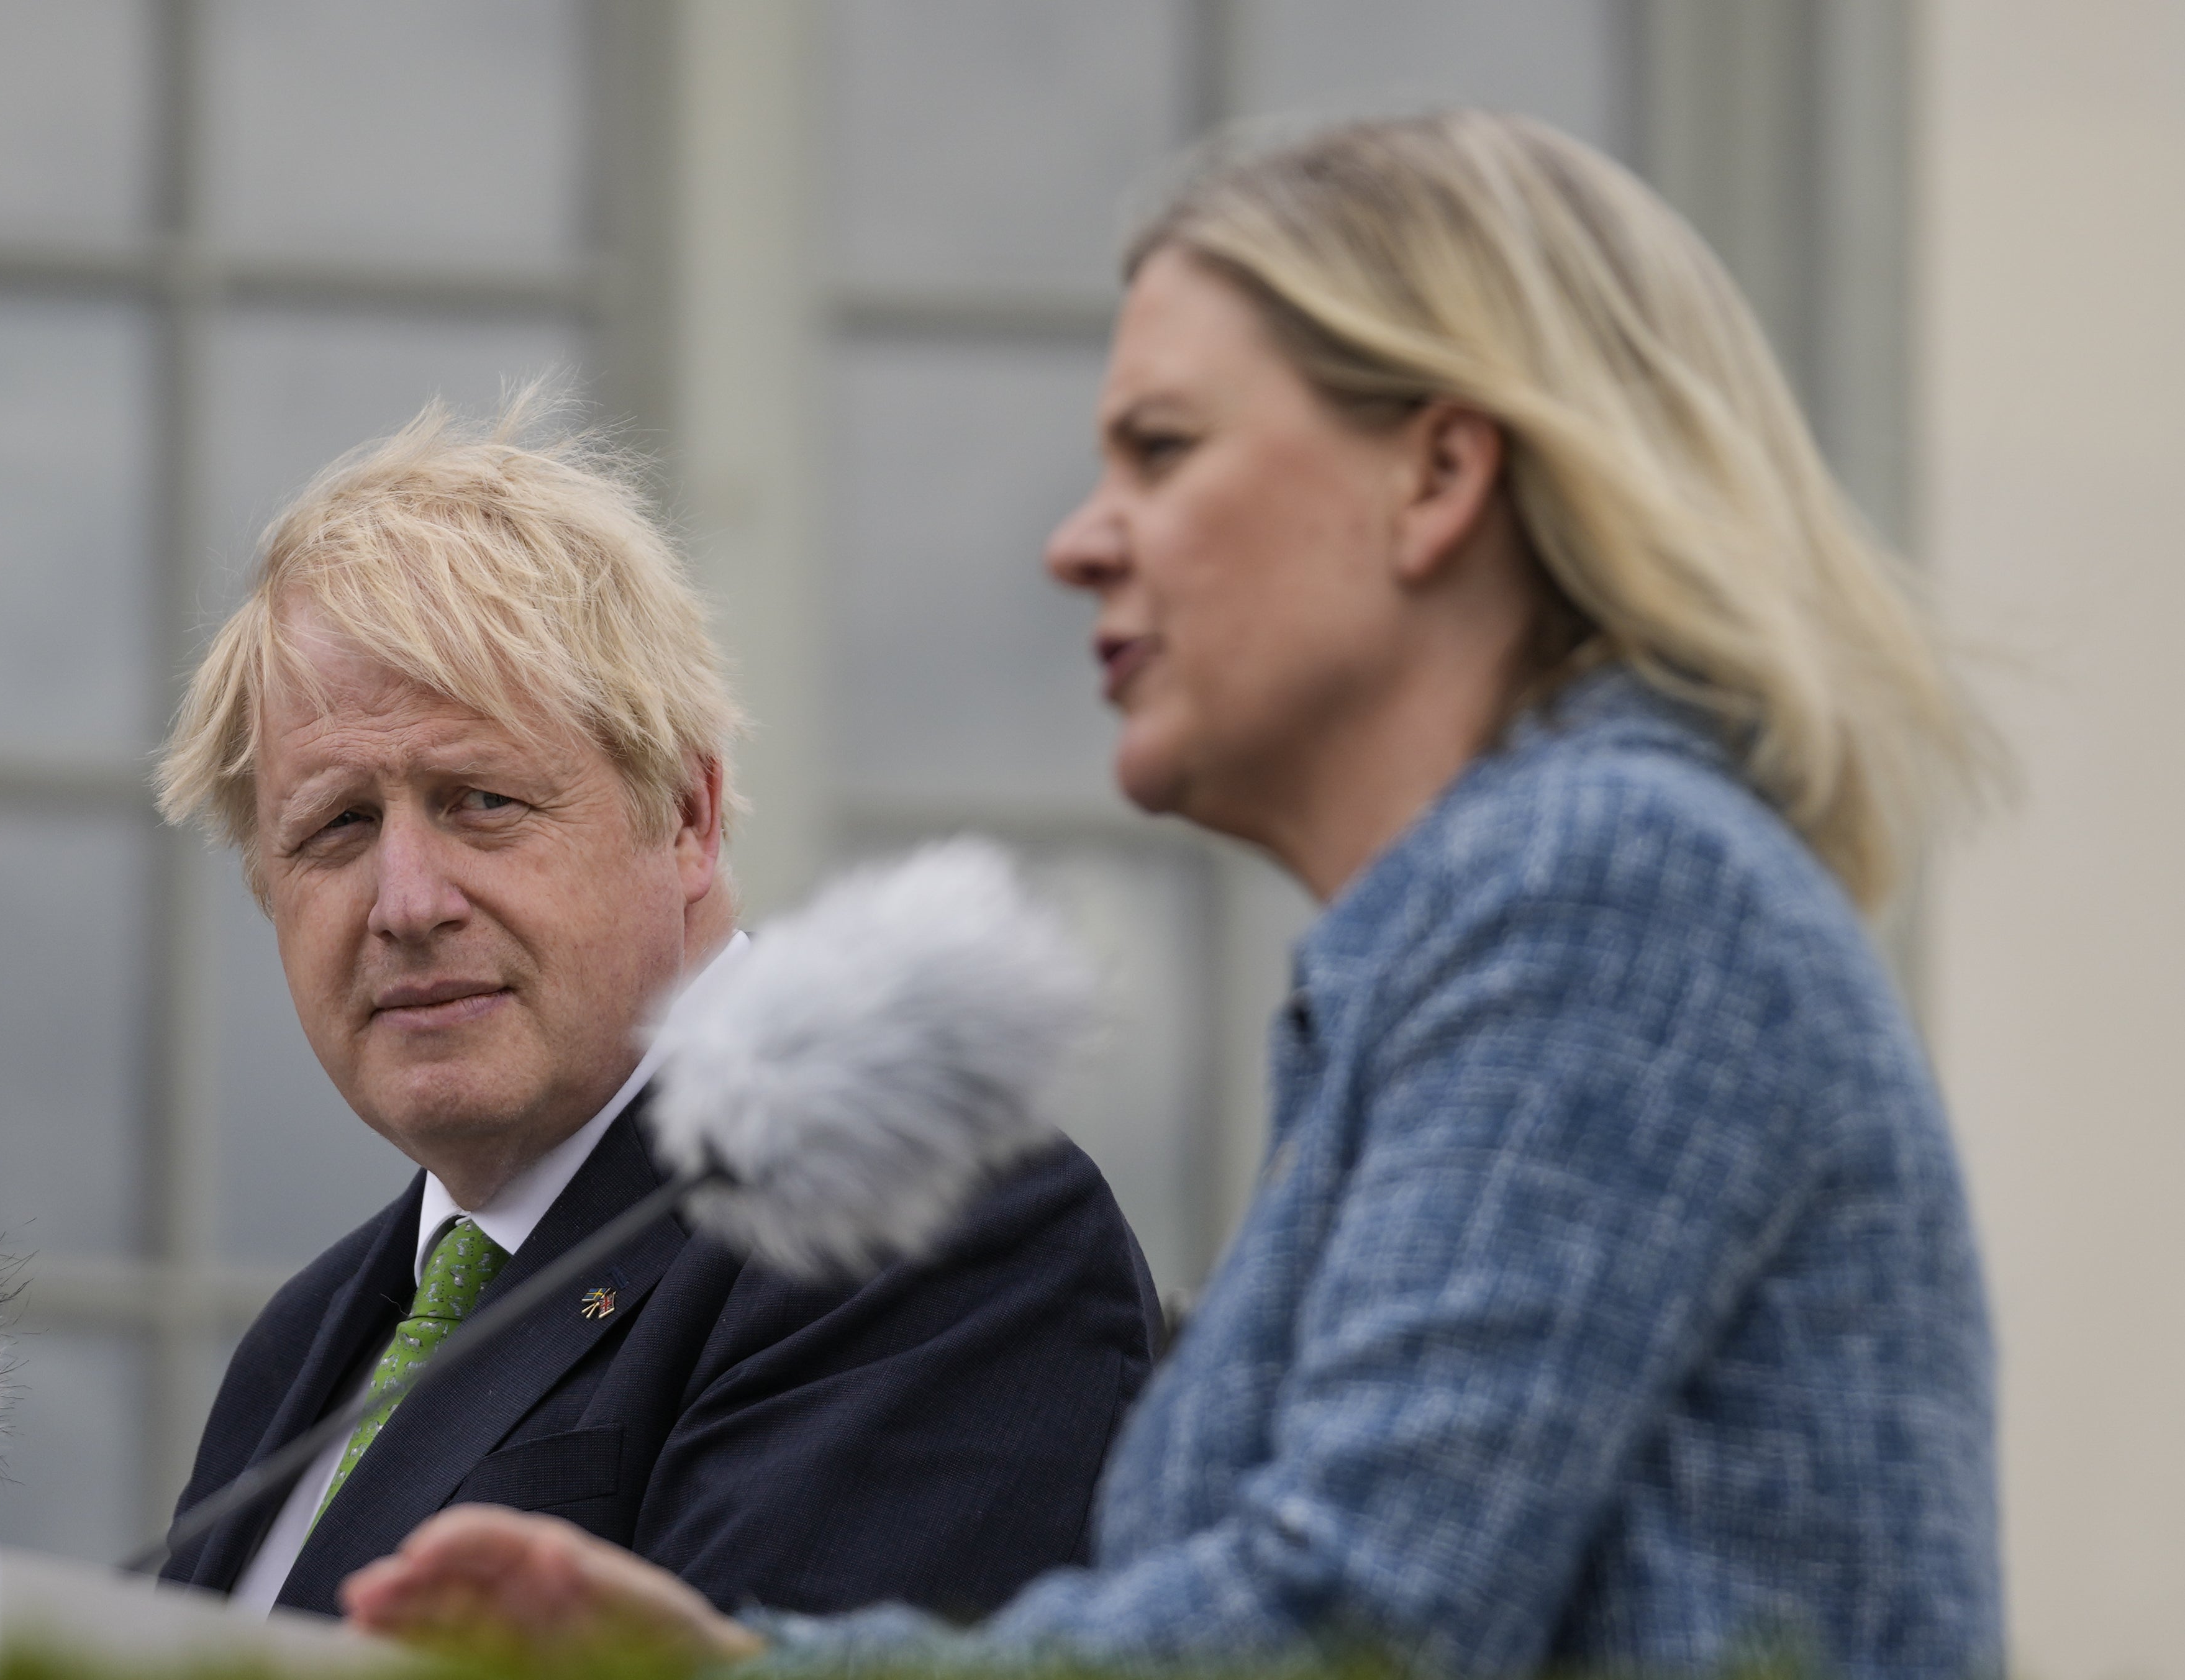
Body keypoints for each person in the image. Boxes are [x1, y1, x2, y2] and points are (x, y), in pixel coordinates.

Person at [337, 112, 2006, 1680]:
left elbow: (1348, 1623)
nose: (1081, 540)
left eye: (1161, 449)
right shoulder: (1507, 918)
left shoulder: (1601, 885)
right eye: (331, 826)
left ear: (1435, 479)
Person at [149, 403, 1158, 1621]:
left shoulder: (907, 1220)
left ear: (684, 815)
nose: (405, 904)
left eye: (481, 801)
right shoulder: (301, 1345)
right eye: (337, 828)